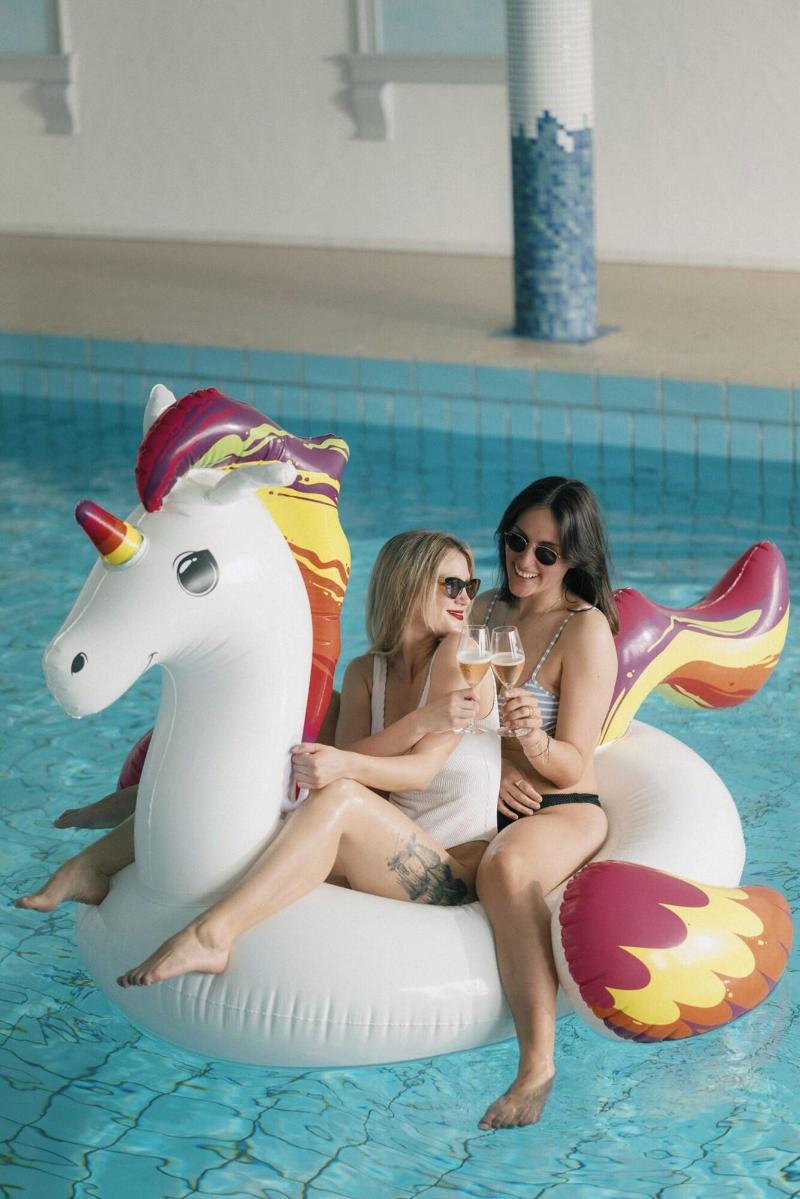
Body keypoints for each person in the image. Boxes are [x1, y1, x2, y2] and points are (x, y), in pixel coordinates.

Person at [18, 530, 502, 989]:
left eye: (470, 586)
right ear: (407, 583)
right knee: (256, 777)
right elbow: (351, 759)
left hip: (449, 874)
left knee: (339, 796)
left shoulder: (461, 654)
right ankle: (94, 861)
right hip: (381, 852)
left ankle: (213, 935)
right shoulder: (366, 671)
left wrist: (364, 754)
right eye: (451, 584)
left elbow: (418, 773)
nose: (464, 598)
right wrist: (416, 724)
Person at [470, 476, 618, 1130]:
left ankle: (537, 1065)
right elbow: (455, 715)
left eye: (546, 553)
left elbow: (573, 760)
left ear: (575, 559)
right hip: (488, 789)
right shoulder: (485, 611)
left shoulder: (584, 631)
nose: (524, 561)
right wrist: (492, 771)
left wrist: (531, 739)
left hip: (563, 803)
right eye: (516, 541)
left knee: (505, 868)